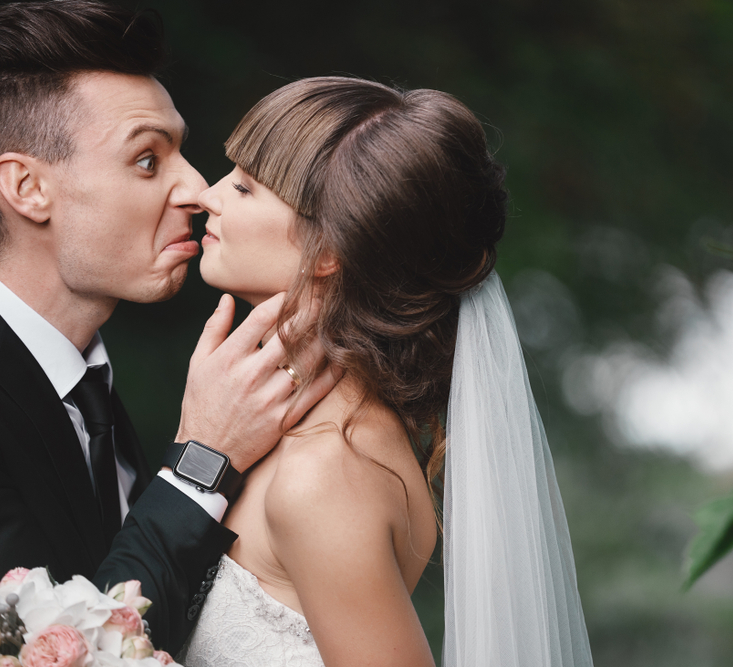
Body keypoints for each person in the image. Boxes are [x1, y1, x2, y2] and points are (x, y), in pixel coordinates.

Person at [0, 3, 334, 664]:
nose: (197, 189)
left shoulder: (83, 382)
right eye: (147, 160)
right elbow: (64, 653)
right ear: (26, 187)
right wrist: (201, 458)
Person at [178, 77, 594, 666]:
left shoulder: (328, 473)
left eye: (244, 188)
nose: (207, 194)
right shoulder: (294, 430)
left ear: (327, 252)